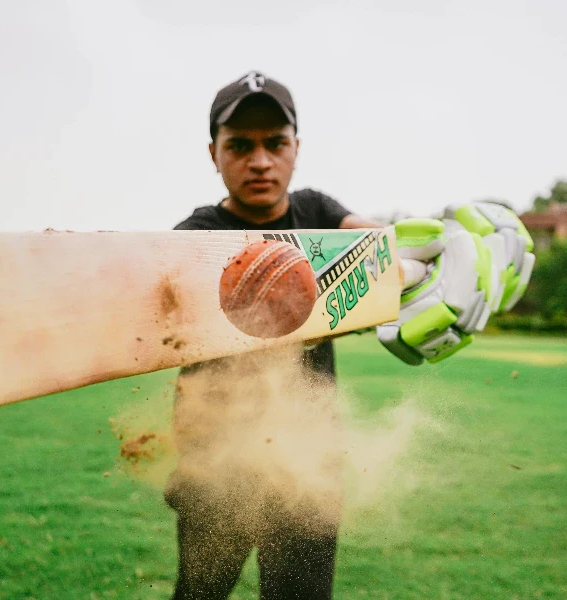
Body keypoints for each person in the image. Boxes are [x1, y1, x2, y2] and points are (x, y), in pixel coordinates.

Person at [165, 71, 535, 600]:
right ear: (213, 153)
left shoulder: (316, 210)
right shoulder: (197, 235)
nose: (261, 161)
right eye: (240, 146)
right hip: (217, 464)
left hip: (308, 459)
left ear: (296, 147)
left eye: (276, 143)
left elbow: (379, 247)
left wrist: (451, 260)